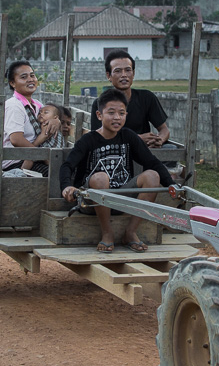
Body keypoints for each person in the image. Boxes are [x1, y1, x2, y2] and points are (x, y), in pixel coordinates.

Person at [61, 89, 173, 253]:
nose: (117, 118)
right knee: (100, 178)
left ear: (126, 115)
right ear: (99, 115)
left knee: (152, 175)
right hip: (91, 201)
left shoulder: (128, 136)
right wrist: (66, 187)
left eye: (121, 113)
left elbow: (152, 162)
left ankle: (130, 232)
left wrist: (172, 185)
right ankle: (107, 233)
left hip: (121, 199)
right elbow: (67, 165)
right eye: (111, 113)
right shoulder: (88, 140)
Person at [90, 50, 170, 148]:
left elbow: (164, 130)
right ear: (109, 76)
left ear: (133, 73)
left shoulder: (147, 97)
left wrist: (159, 140)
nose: (124, 75)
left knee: (170, 149)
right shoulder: (100, 103)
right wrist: (137, 139)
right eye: (118, 71)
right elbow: (99, 138)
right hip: (115, 151)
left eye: (128, 70)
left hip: (144, 151)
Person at [2, 60, 60, 176]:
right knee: (55, 175)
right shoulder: (14, 105)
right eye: (24, 77)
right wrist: (42, 155)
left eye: (32, 75)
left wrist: (56, 121)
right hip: (17, 161)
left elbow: (50, 118)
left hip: (35, 157)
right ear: (13, 83)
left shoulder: (37, 104)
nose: (30, 79)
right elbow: (16, 139)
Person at [22, 103, 64, 171]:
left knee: (31, 156)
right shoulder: (39, 125)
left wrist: (41, 137)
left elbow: (43, 137)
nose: (41, 114)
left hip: (51, 154)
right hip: (41, 152)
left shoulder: (50, 126)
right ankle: (22, 171)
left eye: (46, 112)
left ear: (55, 118)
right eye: (40, 113)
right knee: (31, 158)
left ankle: (22, 171)